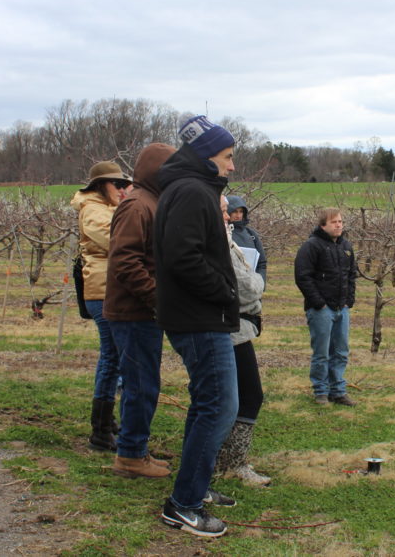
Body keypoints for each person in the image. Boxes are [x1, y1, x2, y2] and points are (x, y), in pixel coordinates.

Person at [155, 115, 240, 538]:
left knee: (206, 403)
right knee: (220, 406)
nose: (232, 165)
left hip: (198, 314)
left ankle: (195, 488)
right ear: (207, 155)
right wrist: (225, 291)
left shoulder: (192, 188)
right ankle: (184, 505)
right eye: (227, 156)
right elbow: (182, 258)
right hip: (200, 317)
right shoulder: (191, 191)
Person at [104, 143, 175, 479]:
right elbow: (125, 261)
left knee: (145, 382)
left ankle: (136, 448)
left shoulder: (153, 202)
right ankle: (130, 455)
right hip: (133, 312)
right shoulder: (137, 205)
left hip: (142, 311)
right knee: (140, 384)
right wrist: (158, 299)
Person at [71, 160, 132, 452]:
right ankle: (101, 430)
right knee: (111, 359)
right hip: (102, 290)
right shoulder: (93, 209)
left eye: (124, 184)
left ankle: (107, 424)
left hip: (110, 288)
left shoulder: (106, 206)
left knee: (115, 359)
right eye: (116, 184)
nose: (121, 189)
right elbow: (116, 241)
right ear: (99, 186)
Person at [217, 194, 271, 486]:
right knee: (248, 395)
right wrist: (258, 283)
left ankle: (222, 459)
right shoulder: (219, 243)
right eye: (225, 211)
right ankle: (231, 462)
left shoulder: (245, 236)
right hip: (229, 327)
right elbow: (249, 285)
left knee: (227, 395)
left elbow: (260, 263)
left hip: (229, 326)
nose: (230, 217)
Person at [294, 207, 357, 406]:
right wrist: (319, 303)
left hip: (341, 307)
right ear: (323, 225)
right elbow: (303, 277)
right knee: (322, 352)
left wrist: (349, 300)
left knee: (340, 351)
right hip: (321, 309)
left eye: (340, 221)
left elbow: (352, 275)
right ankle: (320, 391)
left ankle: (338, 390)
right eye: (334, 222)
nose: (338, 225)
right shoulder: (311, 246)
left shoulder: (346, 246)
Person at [226, 195, 267, 283]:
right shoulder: (223, 232)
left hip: (251, 283)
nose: (238, 215)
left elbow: (262, 263)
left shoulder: (251, 234)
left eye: (241, 212)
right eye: (235, 211)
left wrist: (260, 284)